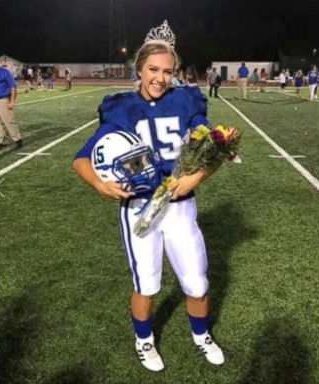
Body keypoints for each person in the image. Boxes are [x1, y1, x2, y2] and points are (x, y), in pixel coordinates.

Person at [72, 20, 225, 372]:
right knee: (147, 282)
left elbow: (214, 150)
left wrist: (195, 177)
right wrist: (100, 184)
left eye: (167, 71)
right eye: (153, 69)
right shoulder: (120, 108)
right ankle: (144, 341)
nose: (160, 77)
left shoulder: (187, 102)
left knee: (197, 281)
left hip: (181, 208)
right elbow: (81, 159)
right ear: (139, 69)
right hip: (139, 210)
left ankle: (200, 335)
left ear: (175, 73)